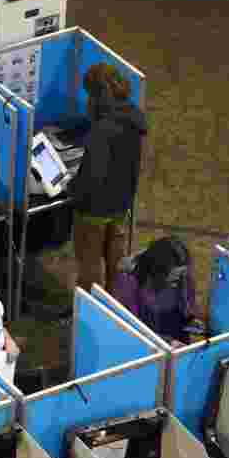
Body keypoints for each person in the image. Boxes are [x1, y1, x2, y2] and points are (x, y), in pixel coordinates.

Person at [68, 63, 148, 294]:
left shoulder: (102, 130)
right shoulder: (133, 117)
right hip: (122, 204)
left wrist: (72, 188)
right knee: (116, 262)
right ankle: (114, 307)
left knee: (90, 266)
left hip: (93, 210)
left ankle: (88, 308)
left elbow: (93, 176)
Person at [111, 236, 202, 345]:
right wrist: (166, 342)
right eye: (173, 274)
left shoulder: (183, 276)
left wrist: (191, 321)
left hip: (176, 342)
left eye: (182, 273)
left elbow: (187, 308)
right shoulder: (129, 281)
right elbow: (131, 328)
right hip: (146, 345)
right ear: (158, 270)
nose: (178, 278)